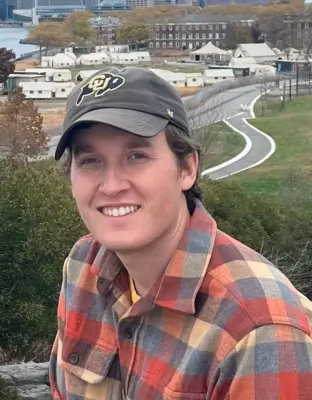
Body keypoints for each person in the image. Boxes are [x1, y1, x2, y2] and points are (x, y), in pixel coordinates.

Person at [49, 66, 312, 399]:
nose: (111, 185)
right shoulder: (83, 266)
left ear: (187, 168)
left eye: (136, 156)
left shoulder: (261, 331)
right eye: (90, 161)